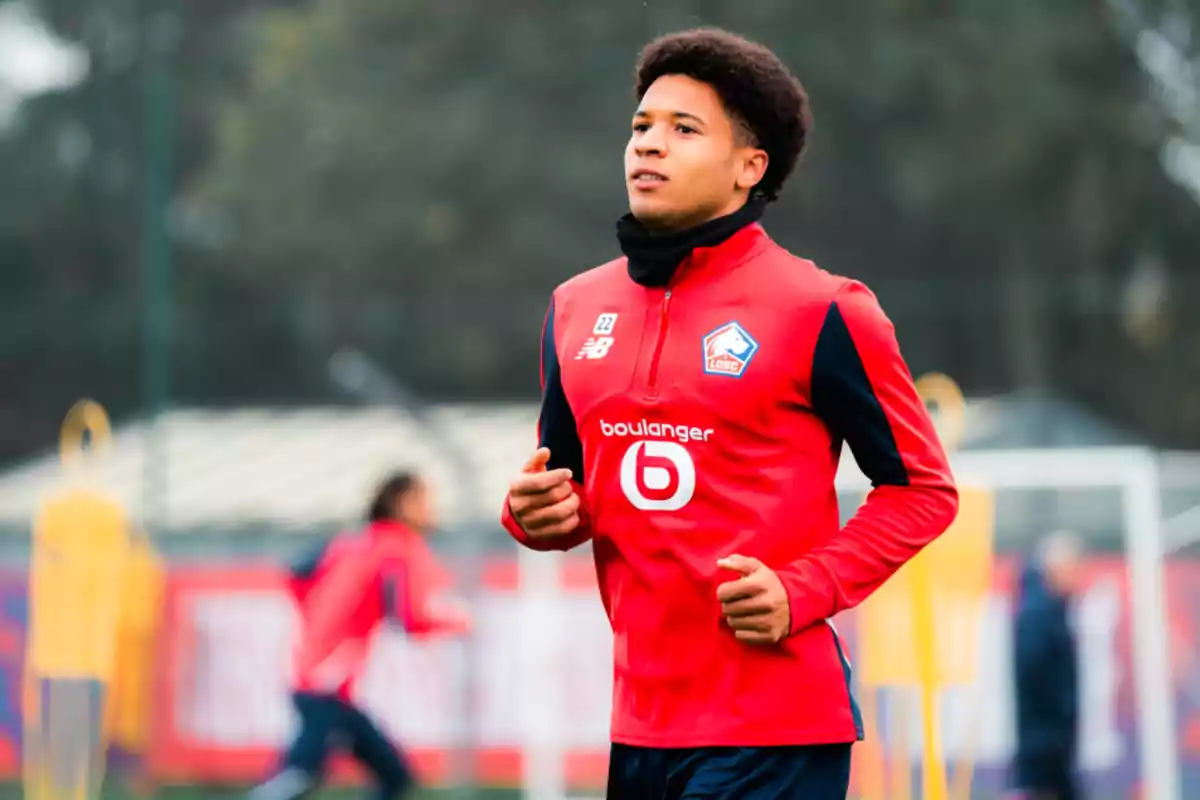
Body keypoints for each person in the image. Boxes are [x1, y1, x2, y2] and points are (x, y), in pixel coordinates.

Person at [501, 27, 959, 799]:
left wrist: (803, 589)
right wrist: (534, 513)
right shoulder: (573, 309)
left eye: (684, 129)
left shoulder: (824, 309)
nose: (649, 144)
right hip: (640, 727)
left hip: (774, 728)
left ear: (751, 168)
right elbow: (568, 489)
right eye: (642, 126)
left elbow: (923, 491)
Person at [250, 471, 471, 800]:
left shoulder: (349, 543)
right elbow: (412, 617)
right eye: (425, 501)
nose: (432, 510)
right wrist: (459, 622)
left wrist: (327, 625)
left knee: (390, 775)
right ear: (401, 503)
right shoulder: (399, 546)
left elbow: (296, 575)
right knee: (300, 776)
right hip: (327, 684)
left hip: (313, 676)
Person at [1012, 531, 1085, 800]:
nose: (1078, 576)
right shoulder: (1038, 615)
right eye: (1073, 568)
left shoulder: (1050, 610)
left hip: (1051, 743)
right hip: (1044, 745)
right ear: (1055, 569)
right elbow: (1035, 678)